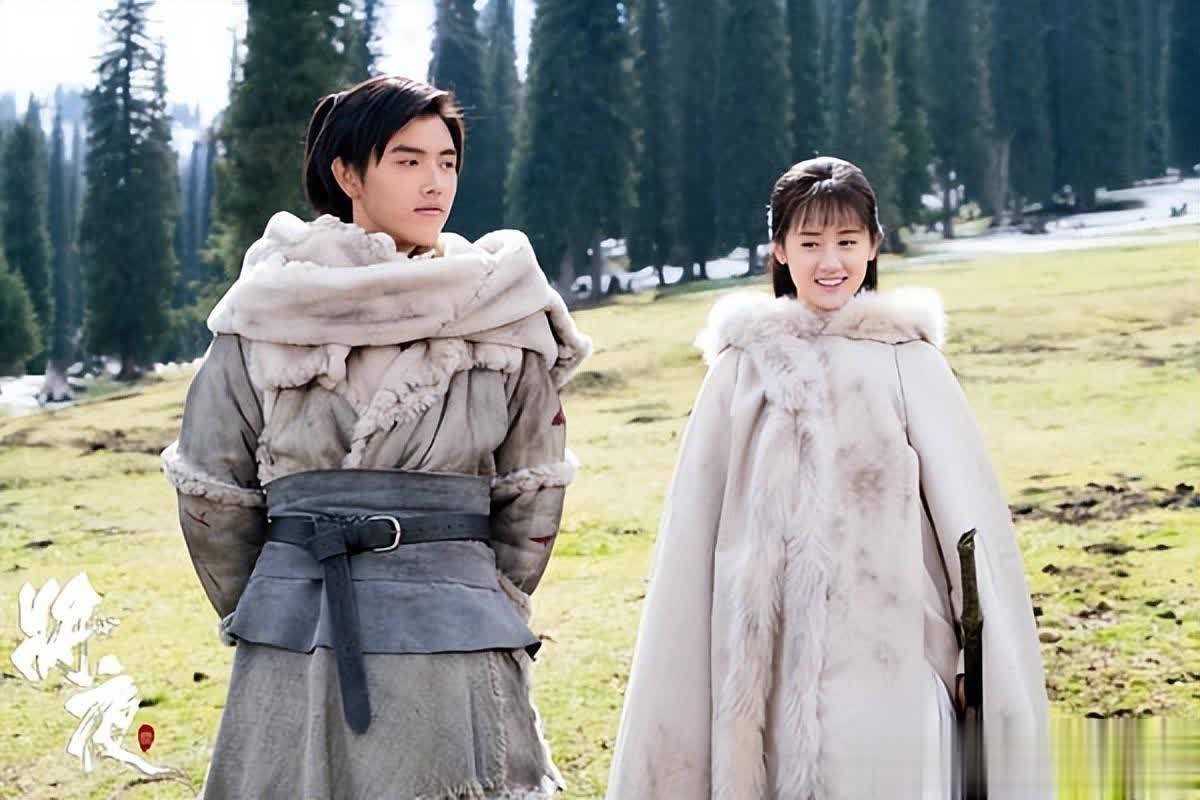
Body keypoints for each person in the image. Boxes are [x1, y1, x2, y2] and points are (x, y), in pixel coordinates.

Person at [161, 75, 590, 799]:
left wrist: (476, 594)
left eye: (447, 161)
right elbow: (212, 490)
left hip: (455, 635)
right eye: (407, 160)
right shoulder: (267, 311)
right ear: (348, 174)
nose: (435, 182)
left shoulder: (499, 309)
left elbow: (532, 488)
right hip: (298, 635)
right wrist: (276, 597)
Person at [605, 157, 1051, 799]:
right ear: (780, 250)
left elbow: (968, 526)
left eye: (846, 241)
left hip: (894, 662)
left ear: (873, 245)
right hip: (768, 672)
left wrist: (969, 658)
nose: (830, 262)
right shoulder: (741, 371)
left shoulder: (908, 362)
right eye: (810, 243)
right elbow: (691, 542)